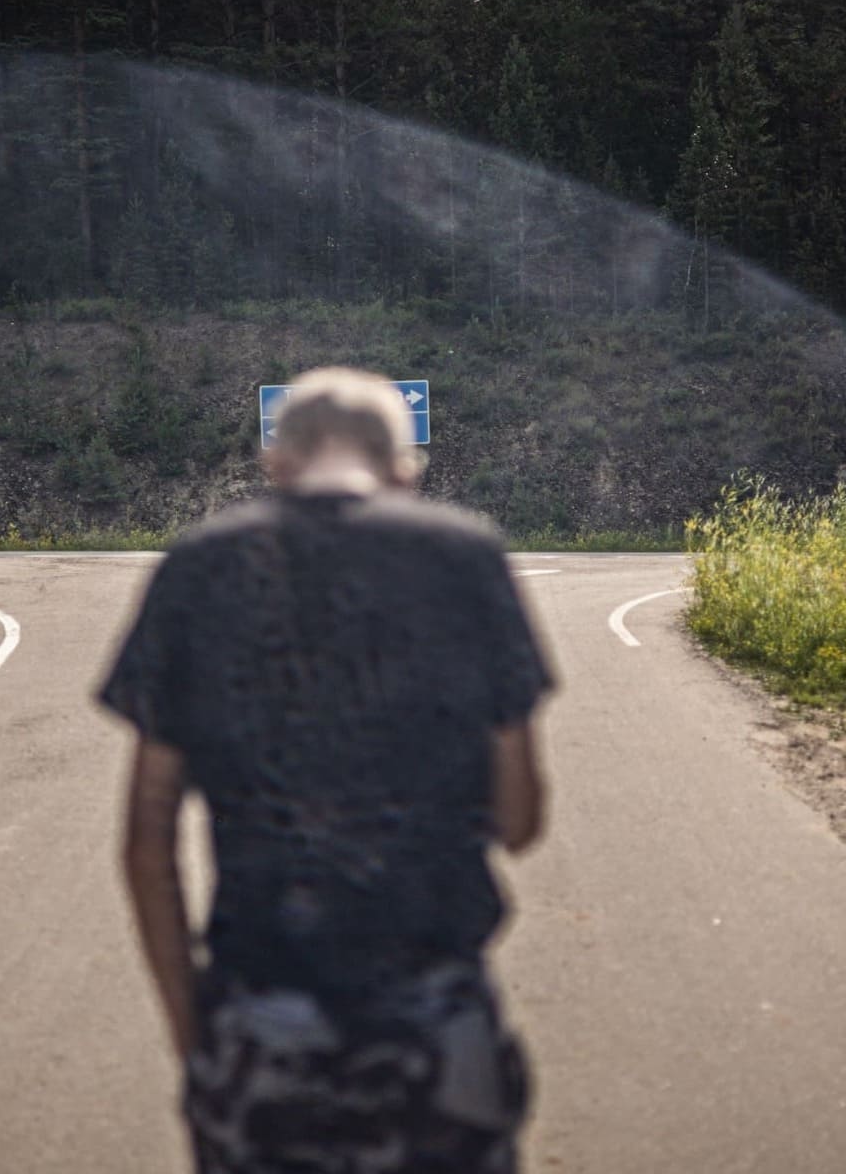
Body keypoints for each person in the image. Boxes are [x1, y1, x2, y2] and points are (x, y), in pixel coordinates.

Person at [99, 366, 555, 1174]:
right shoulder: (465, 558)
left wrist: (194, 1028)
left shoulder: (198, 568)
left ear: (277, 461)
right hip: (433, 1019)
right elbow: (518, 824)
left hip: (261, 1016)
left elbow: (146, 840)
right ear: (403, 467)